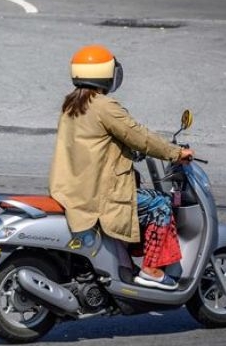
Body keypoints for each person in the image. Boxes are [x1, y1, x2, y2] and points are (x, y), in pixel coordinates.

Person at [48, 44, 194, 290]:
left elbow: (96, 143)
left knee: (137, 194)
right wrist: (176, 153)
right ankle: (152, 269)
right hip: (99, 194)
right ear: (106, 74)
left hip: (71, 189)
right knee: (160, 203)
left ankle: (123, 263)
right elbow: (139, 136)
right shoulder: (104, 106)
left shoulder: (71, 104)